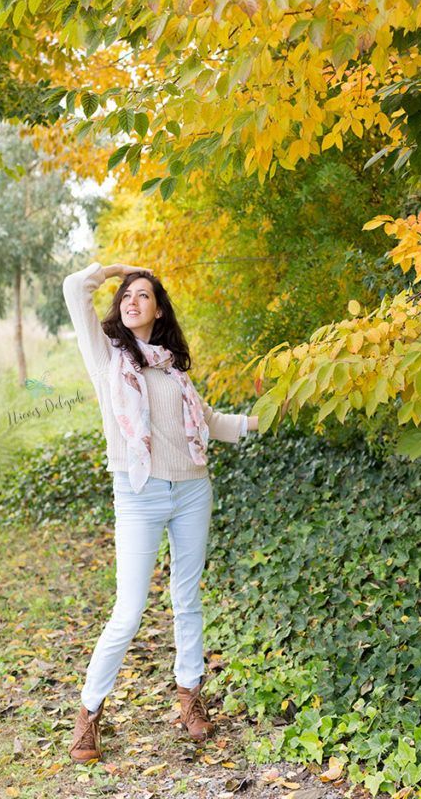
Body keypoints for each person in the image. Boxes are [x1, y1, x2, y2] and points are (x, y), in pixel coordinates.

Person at [62, 261, 259, 764]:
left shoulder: (173, 367)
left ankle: (189, 696)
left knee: (186, 597)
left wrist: (263, 418)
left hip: (193, 489)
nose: (132, 300)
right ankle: (89, 713)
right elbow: (73, 287)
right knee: (128, 610)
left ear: (158, 308)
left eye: (143, 294)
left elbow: (209, 421)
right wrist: (116, 269)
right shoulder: (108, 359)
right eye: (126, 294)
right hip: (139, 493)